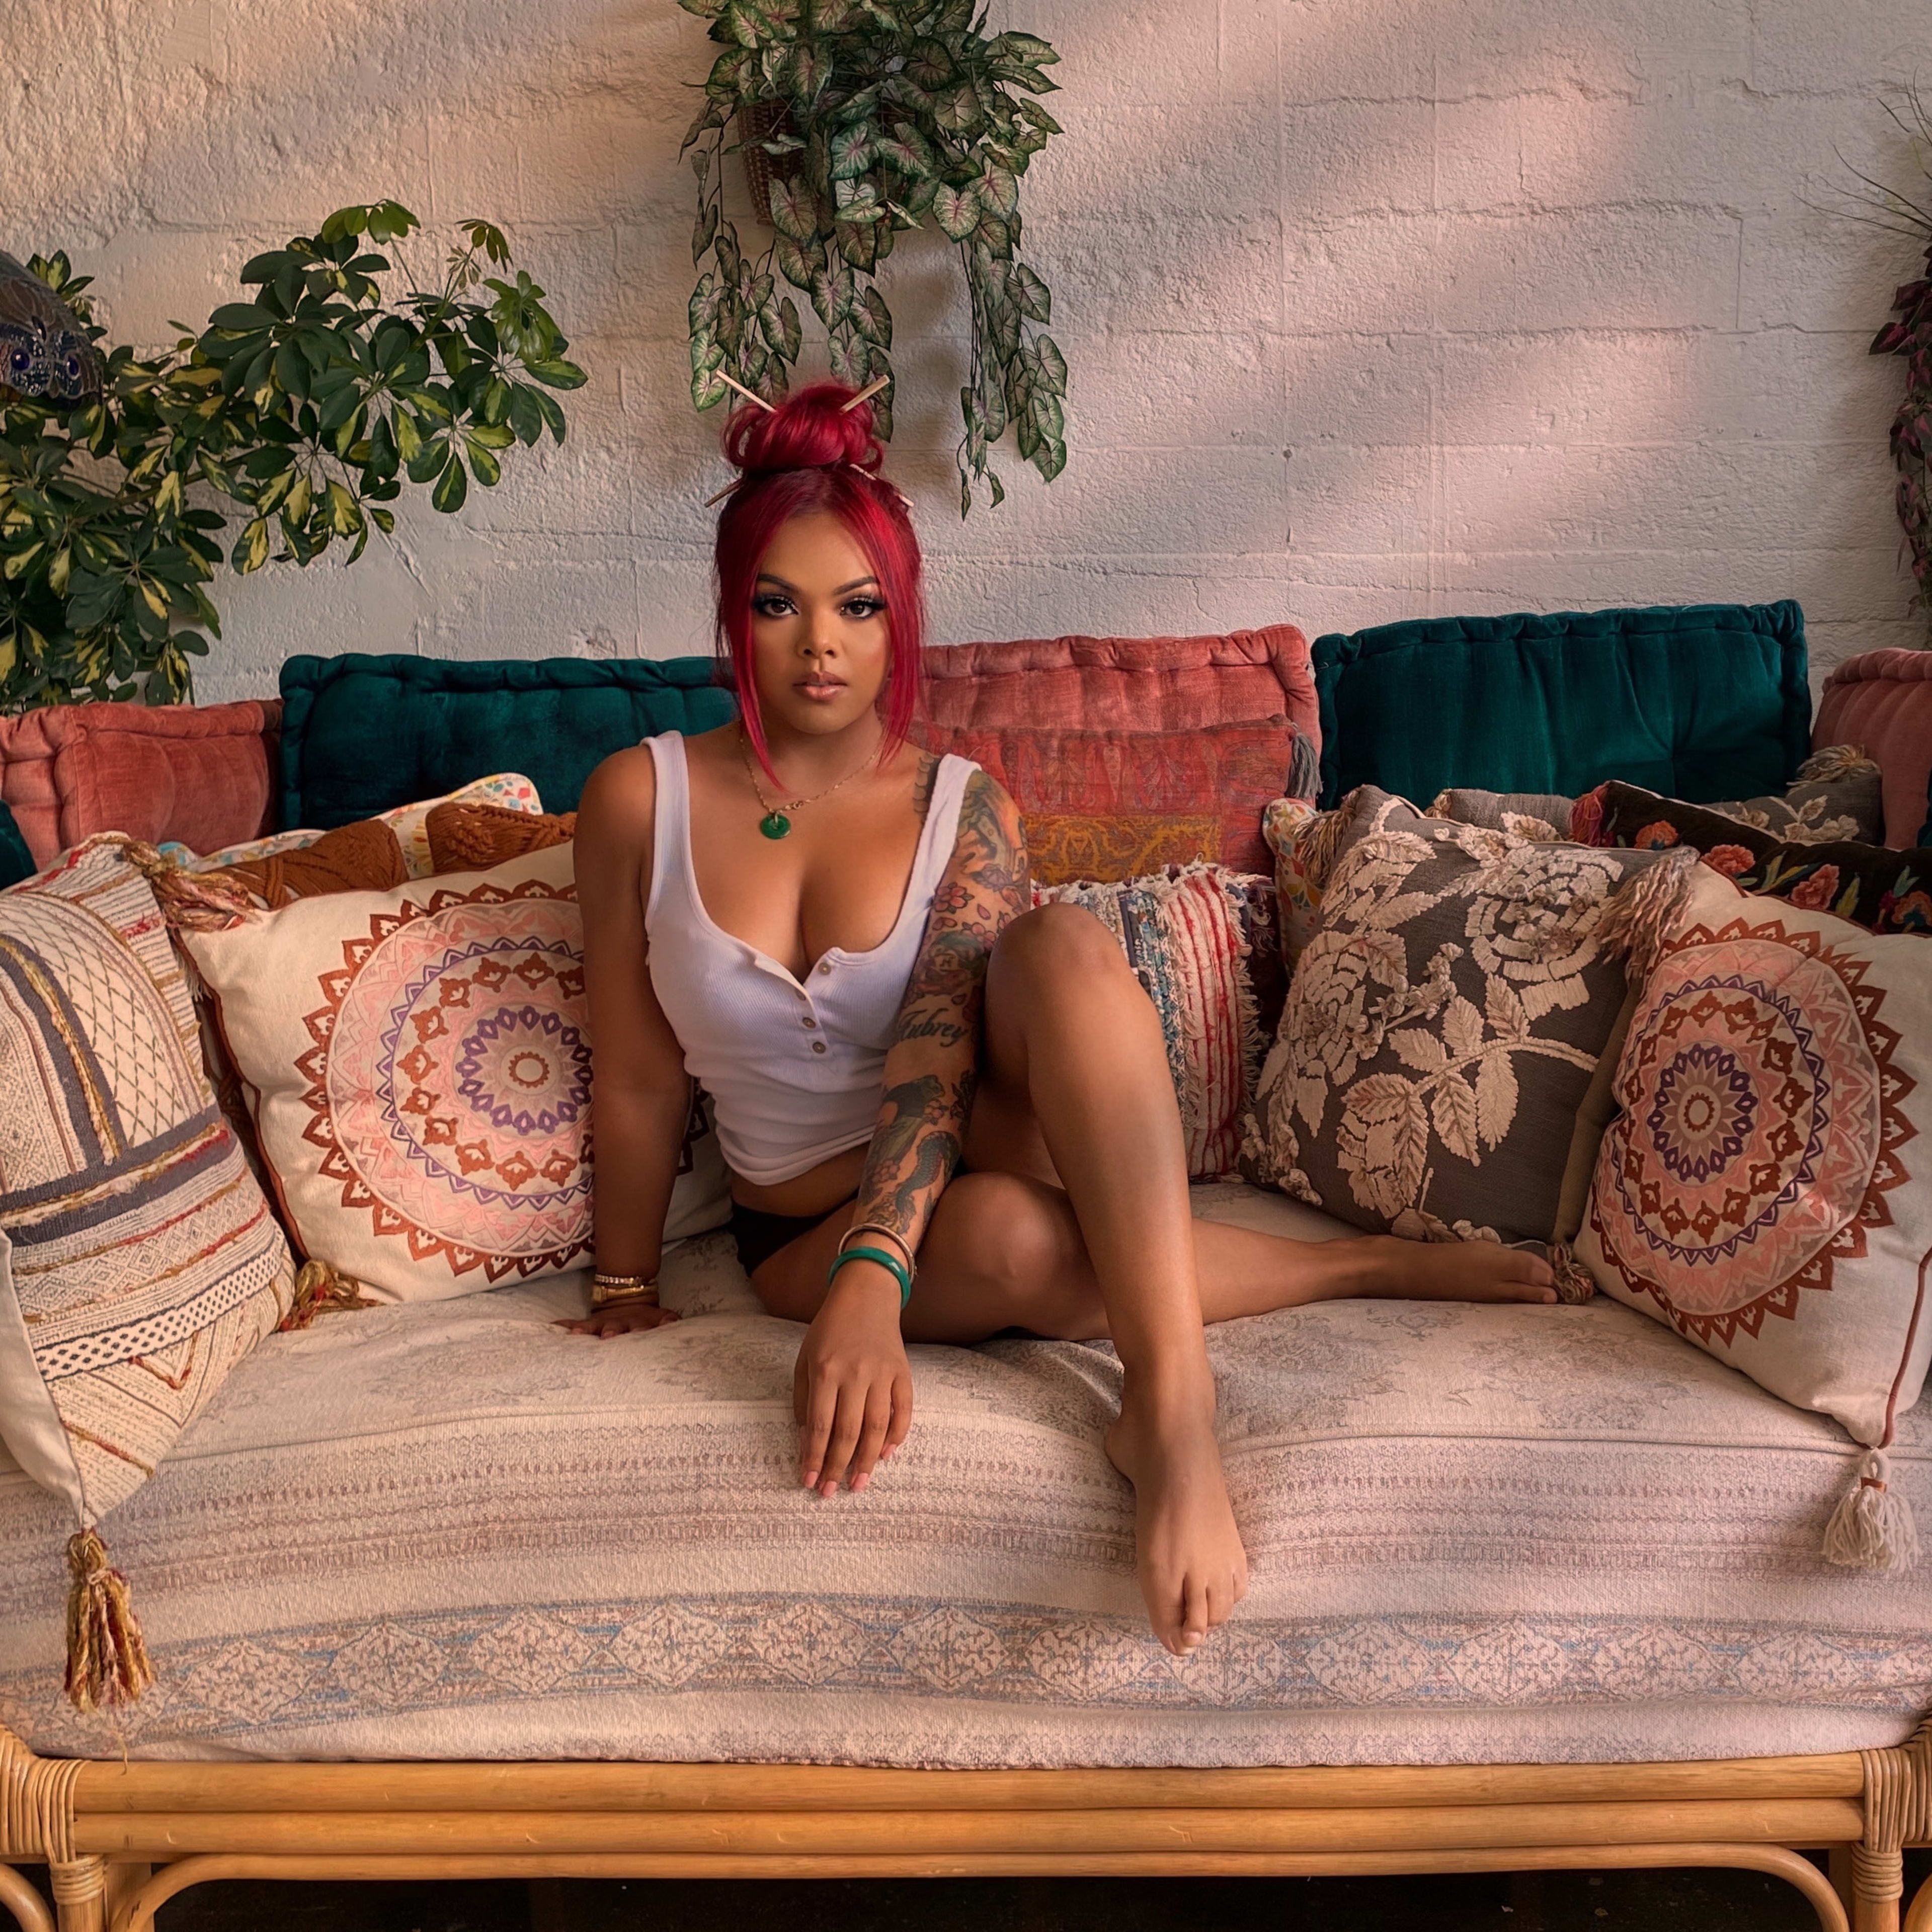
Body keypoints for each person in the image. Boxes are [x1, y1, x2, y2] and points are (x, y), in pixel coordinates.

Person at [560, 380, 1557, 1656]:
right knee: (1014, 1243)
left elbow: (936, 1046)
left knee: (1062, 943)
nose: (823, 644)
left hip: (992, 1118)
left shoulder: (963, 804)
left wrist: (881, 1274)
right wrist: (628, 1284)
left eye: (860, 607)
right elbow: (639, 1082)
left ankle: (1173, 1416)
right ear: (733, 612)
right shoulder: (635, 800)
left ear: (899, 619)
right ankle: (1365, 1264)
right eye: (780, 604)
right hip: (802, 1220)